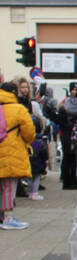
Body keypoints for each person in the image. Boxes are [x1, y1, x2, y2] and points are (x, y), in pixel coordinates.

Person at [0, 81, 36, 230]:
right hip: (11, 151)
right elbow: (29, 133)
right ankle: (8, 217)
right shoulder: (18, 109)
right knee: (9, 186)